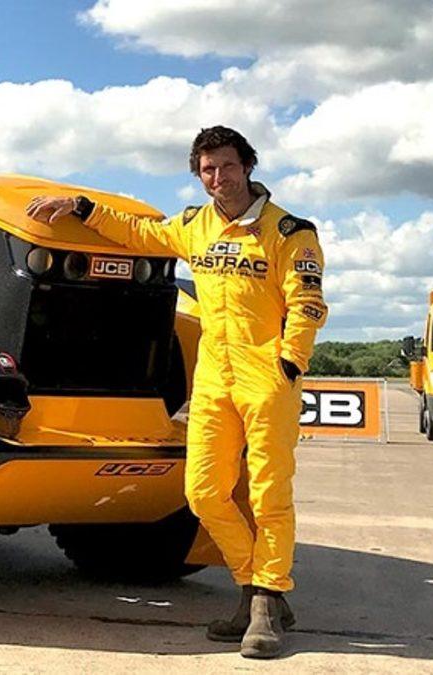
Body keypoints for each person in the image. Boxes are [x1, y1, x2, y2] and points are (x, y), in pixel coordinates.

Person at [26, 126, 328, 659]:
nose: (219, 178)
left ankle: (262, 607)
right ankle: (259, 587)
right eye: (208, 170)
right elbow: (137, 234)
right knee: (204, 493)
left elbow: (307, 303)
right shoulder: (194, 226)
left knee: (267, 495)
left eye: (228, 167)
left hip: (268, 377)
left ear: (248, 166)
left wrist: (289, 362)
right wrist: (80, 205)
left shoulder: (289, 232)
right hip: (214, 378)